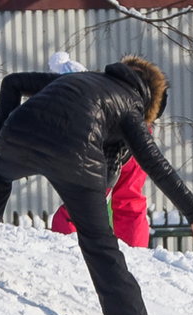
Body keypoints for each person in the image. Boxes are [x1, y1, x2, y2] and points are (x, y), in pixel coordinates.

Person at [0, 55, 193, 315]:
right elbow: (155, 163)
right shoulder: (132, 105)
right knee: (97, 240)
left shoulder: (77, 79)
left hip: (20, 134)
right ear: (150, 98)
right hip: (74, 155)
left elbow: (12, 82)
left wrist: (2, 127)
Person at [47, 52, 151, 247]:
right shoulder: (140, 92)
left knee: (83, 200)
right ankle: (136, 251)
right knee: (130, 199)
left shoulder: (84, 87)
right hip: (139, 134)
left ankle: (64, 244)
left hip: (103, 140)